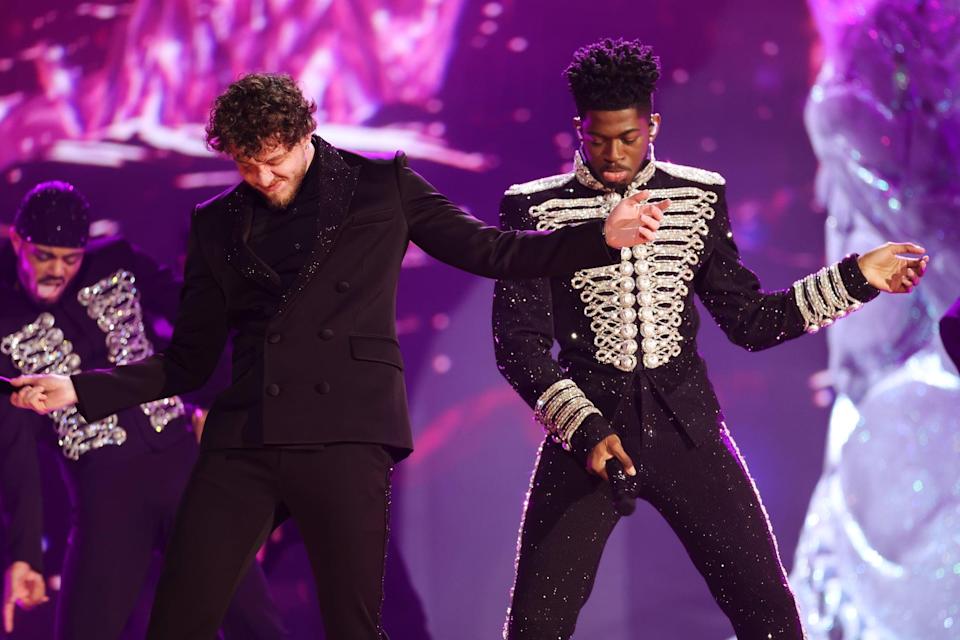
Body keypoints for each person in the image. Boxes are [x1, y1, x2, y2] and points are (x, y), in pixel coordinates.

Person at [7, 73, 664, 639]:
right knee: (179, 617)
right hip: (246, 441)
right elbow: (188, 362)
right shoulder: (217, 222)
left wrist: (596, 239)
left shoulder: (383, 187)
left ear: (303, 135)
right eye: (245, 164)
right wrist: (80, 390)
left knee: (351, 623)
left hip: (346, 435)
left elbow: (491, 251)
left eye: (273, 160)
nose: (262, 179)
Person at [492, 38, 929, 639]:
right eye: (598, 140)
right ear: (578, 128)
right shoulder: (535, 208)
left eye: (629, 137)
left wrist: (857, 277)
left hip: (688, 431)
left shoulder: (697, 196)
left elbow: (750, 321)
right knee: (536, 627)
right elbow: (517, 345)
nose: (614, 155)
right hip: (587, 437)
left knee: (770, 617)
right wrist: (587, 430)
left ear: (653, 125)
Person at [0, 181, 288, 639]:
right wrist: (24, 554)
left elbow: (204, 322)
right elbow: (14, 447)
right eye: (43, 256)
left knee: (254, 623)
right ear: (17, 241)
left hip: (185, 471)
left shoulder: (116, 261)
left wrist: (218, 407)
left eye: (69, 259)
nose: (56, 271)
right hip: (105, 493)